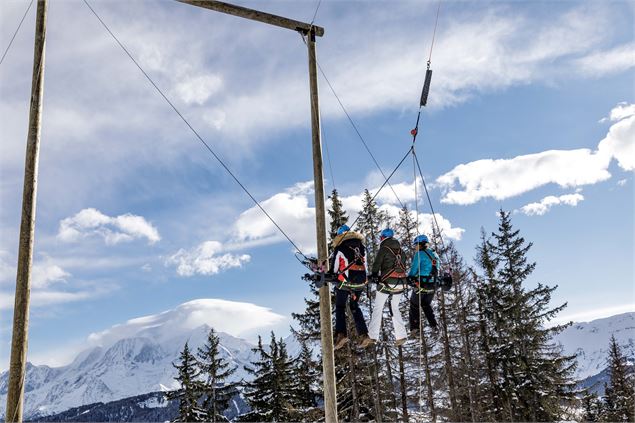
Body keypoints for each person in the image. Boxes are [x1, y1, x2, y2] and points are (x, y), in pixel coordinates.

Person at [362, 228, 408, 348]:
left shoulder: (384, 249)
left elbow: (377, 264)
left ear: (382, 238)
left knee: (378, 308)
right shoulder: (401, 251)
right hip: (401, 283)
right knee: (395, 307)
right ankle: (401, 335)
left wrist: (374, 275)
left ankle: (373, 336)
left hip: (387, 282)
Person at [330, 224, 371, 350]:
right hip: (361, 282)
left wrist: (331, 275)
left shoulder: (340, 247)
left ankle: (341, 334)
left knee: (340, 306)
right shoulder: (362, 248)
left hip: (345, 283)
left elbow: (335, 269)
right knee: (354, 306)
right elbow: (366, 266)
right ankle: (363, 335)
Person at [408, 234, 440, 338]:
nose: (415, 247)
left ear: (420, 244)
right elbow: (437, 267)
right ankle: (434, 326)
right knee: (426, 305)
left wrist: (410, 278)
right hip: (433, 285)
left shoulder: (419, 254)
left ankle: (415, 329)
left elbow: (414, 269)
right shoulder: (435, 254)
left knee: (414, 305)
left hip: (421, 283)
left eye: (415, 245)